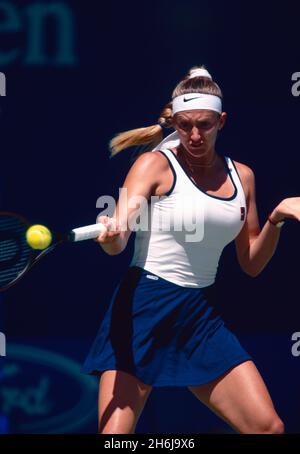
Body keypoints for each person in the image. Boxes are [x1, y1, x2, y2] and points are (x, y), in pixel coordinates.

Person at [82, 66, 300, 434]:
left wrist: (276, 218)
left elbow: (251, 263)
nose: (195, 135)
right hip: (142, 307)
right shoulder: (153, 164)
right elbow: (119, 239)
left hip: (198, 314)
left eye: (205, 124)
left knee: (268, 428)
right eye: (185, 125)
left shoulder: (241, 176)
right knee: (115, 439)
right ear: (175, 122)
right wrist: (111, 237)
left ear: (222, 121)